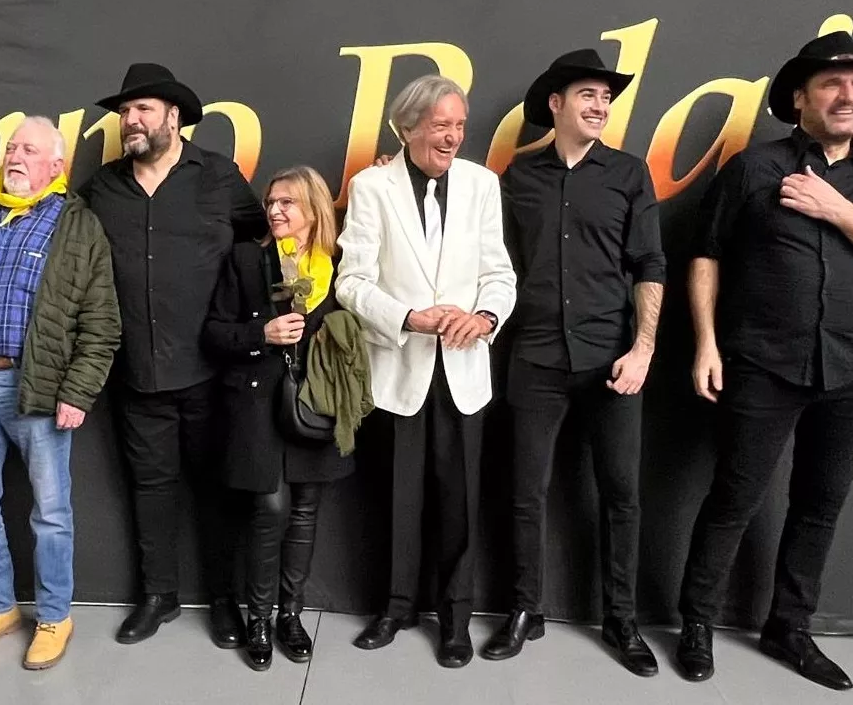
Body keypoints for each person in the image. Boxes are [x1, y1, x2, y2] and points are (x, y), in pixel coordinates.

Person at [675, 32, 853, 691]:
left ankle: (789, 628)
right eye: (832, 84)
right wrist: (705, 342)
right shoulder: (754, 168)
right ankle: (697, 623)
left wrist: (835, 206)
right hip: (760, 360)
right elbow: (705, 254)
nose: (849, 96)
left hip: (849, 367)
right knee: (734, 498)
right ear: (800, 98)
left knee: (820, 503)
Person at [484, 49, 665, 676]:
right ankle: (525, 609)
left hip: (613, 358)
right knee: (525, 493)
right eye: (588, 95)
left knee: (621, 495)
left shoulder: (629, 173)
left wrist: (642, 350)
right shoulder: (517, 176)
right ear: (555, 104)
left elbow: (650, 265)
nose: (600, 106)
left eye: (607, 98)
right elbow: (487, 259)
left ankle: (621, 618)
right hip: (532, 354)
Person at [81, 63, 265, 648]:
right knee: (150, 490)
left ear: (174, 117)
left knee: (215, 493)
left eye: (141, 111)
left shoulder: (217, 177)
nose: (129, 122)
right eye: (124, 113)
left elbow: (265, 236)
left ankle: (223, 602)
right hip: (135, 372)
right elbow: (56, 240)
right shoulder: (103, 187)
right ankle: (158, 597)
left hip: (211, 370)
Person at [336, 74, 516, 668]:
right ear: (407, 126)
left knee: (459, 501)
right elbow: (351, 283)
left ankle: (456, 619)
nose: (454, 136)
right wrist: (409, 317)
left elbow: (500, 274)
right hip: (398, 369)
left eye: (460, 125)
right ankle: (395, 607)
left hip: (465, 370)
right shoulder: (371, 187)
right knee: (397, 498)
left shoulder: (483, 185)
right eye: (442, 125)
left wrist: (486, 316)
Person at [0, 116, 121, 670]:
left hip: (37, 386)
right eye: (10, 147)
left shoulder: (78, 226)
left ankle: (55, 616)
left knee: (51, 511)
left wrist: (78, 393)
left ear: (56, 166)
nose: (14, 156)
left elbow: (102, 323)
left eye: (29, 150)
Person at [202, 166, 354, 671]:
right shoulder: (248, 258)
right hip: (257, 404)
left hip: (316, 404)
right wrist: (260, 334)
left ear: (313, 208)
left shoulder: (337, 264)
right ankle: (260, 619)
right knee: (269, 510)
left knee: (306, 511)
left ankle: (291, 615)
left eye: (288, 202)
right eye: (271, 202)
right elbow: (214, 333)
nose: (275, 211)